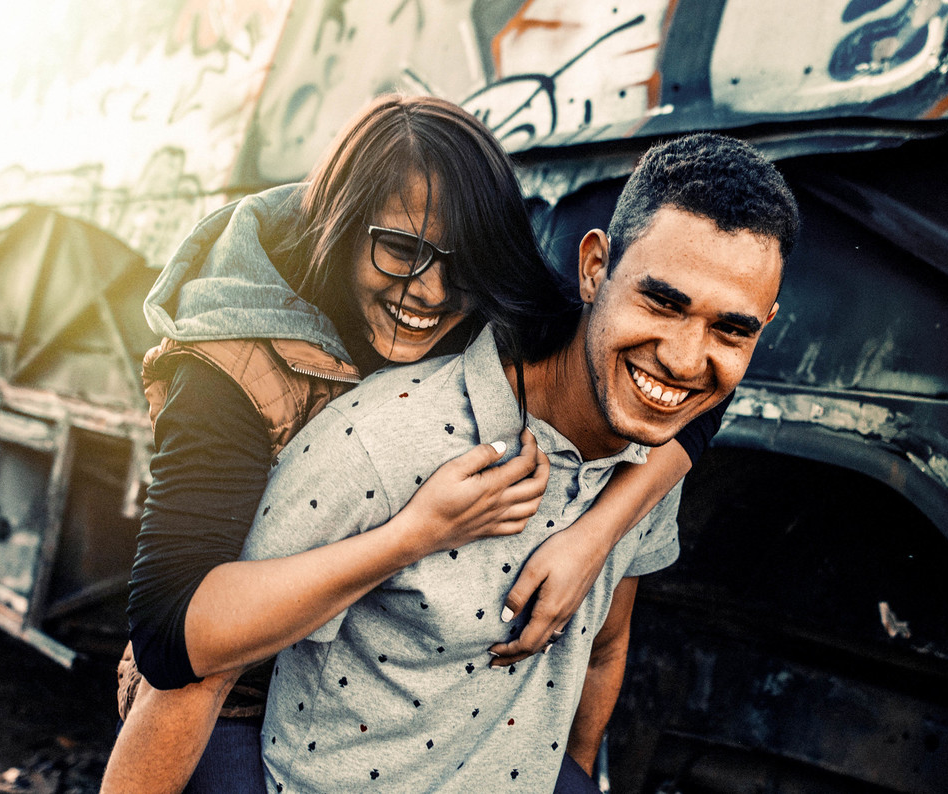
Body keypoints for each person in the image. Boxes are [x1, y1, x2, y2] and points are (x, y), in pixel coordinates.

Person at [101, 95, 731, 793]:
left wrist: (596, 536)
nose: (430, 292)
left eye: (462, 265)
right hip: (240, 680)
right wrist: (416, 534)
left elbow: (680, 382)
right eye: (401, 250)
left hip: (390, 689)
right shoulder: (230, 360)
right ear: (340, 224)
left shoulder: (495, 292)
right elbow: (170, 639)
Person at [238, 132, 799, 792]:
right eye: (661, 302)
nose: (681, 358)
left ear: (765, 325)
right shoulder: (386, 435)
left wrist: (578, 777)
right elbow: (207, 650)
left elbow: (605, 646)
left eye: (731, 329)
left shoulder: (651, 453)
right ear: (594, 269)